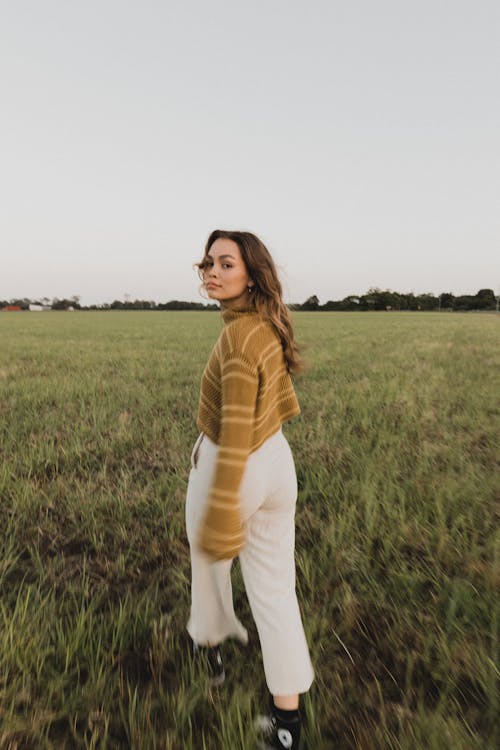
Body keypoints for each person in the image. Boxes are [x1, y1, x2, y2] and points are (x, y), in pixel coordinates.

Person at [185, 229, 314, 750]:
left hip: (234, 464)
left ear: (252, 274)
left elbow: (236, 427)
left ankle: (211, 648)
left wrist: (219, 507)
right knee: (276, 592)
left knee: (208, 565)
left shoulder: (238, 338)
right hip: (277, 464)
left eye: (226, 264)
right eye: (208, 263)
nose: (211, 272)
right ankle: (287, 724)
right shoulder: (263, 324)